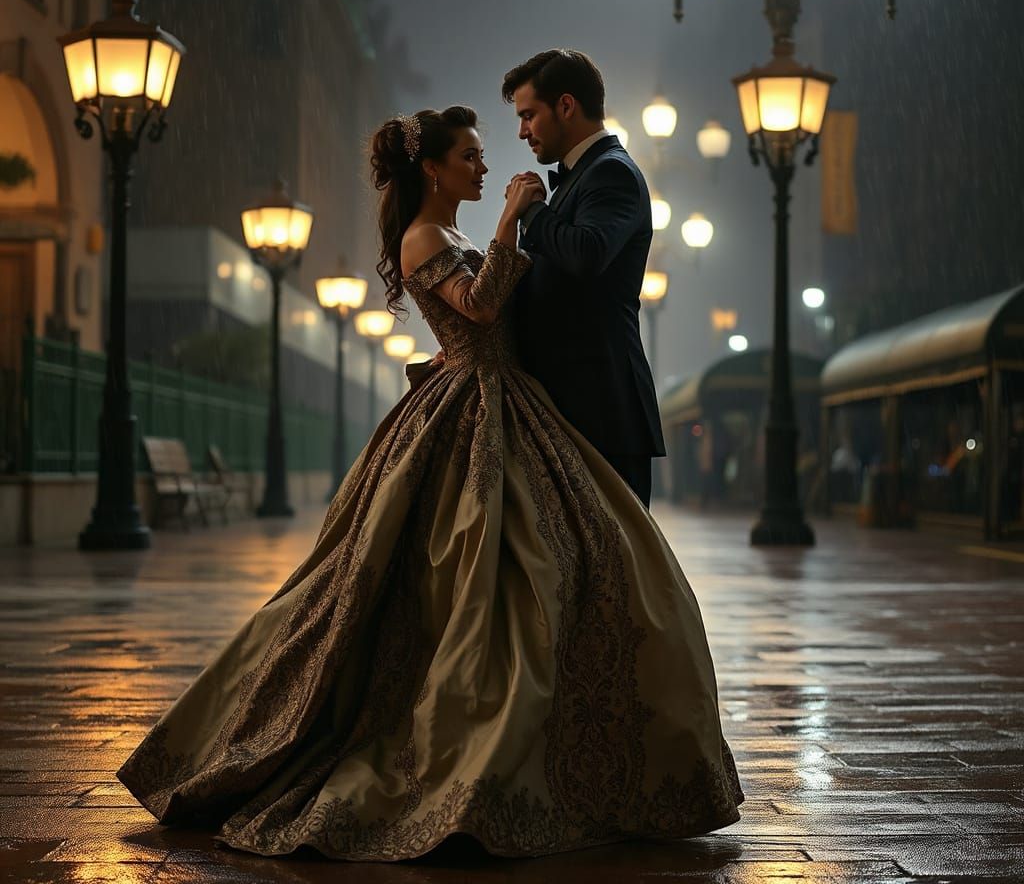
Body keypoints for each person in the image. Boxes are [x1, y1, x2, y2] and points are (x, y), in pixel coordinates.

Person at [116, 105, 743, 862]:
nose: (485, 168)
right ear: (433, 170)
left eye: (485, 158)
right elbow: (478, 309)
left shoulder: (451, 235)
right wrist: (514, 216)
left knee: (581, 563)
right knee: (458, 580)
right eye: (471, 158)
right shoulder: (423, 236)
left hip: (507, 404)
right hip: (470, 416)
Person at [503, 49, 665, 507]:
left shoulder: (610, 172)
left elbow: (588, 253)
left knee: (618, 569)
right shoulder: (582, 177)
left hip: (603, 409)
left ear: (567, 106)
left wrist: (531, 211)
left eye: (529, 115)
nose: (522, 131)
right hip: (576, 408)